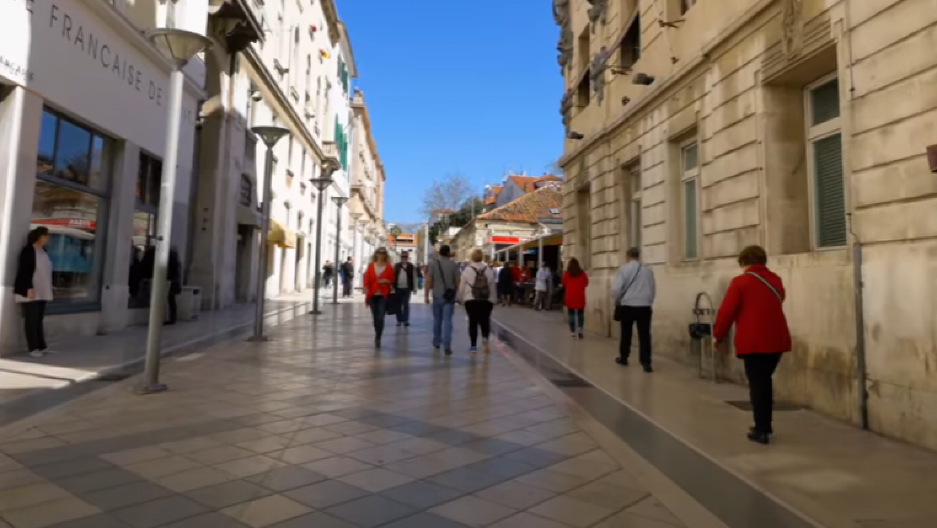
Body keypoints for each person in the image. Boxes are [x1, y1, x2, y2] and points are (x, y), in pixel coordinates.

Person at [713, 245, 792, 445]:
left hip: (754, 341)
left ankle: (761, 429)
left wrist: (718, 335)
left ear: (744, 262)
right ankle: (765, 424)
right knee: (764, 381)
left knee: (758, 385)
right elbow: (778, 298)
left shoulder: (740, 282)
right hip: (777, 339)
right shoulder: (775, 280)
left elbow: (727, 311)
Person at [612, 247, 657, 372]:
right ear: (638, 256)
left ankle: (624, 357)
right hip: (644, 306)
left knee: (626, 332)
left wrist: (617, 301)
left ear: (628, 256)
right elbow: (652, 288)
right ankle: (646, 362)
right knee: (645, 334)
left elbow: (617, 289)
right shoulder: (647, 270)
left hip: (627, 305)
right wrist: (649, 301)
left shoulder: (624, 269)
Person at [15, 227, 54, 358]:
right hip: (31, 289)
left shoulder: (44, 251)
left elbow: (45, 271)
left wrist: (50, 285)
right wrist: (28, 288)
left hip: (43, 290)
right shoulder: (28, 251)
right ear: (39, 236)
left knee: (38, 319)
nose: (48, 238)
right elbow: (24, 271)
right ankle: (33, 348)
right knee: (31, 320)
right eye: (46, 236)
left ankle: (42, 346)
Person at [460, 249, 497, 354]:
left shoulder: (467, 270)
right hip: (486, 300)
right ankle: (485, 339)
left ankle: (473, 346)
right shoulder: (488, 270)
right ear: (482, 258)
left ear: (472, 257)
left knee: (472, 323)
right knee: (485, 321)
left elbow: (462, 286)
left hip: (470, 300)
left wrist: (461, 298)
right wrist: (494, 299)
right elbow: (492, 286)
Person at [425, 244, 460, 355]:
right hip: (449, 297)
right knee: (448, 321)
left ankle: (436, 341)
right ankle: (447, 345)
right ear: (448, 253)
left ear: (440, 253)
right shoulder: (454, 265)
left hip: (437, 295)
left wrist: (426, 295)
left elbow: (429, 281)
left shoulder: (433, 264)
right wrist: (458, 294)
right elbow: (458, 281)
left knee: (437, 320)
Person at [363, 248, 394, 348]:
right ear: (376, 254)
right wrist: (365, 287)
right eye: (379, 253)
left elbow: (392, 280)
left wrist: (385, 280)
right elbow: (367, 278)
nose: (381, 255)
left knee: (380, 317)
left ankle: (378, 337)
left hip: (383, 294)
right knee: (375, 317)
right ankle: (377, 332)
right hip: (372, 294)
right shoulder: (371, 266)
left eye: (383, 254)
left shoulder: (389, 267)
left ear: (385, 255)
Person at [562, 258, 589, 339]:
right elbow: (586, 283)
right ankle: (580, 329)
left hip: (570, 296)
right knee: (580, 314)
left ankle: (573, 331)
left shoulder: (567, 274)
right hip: (580, 296)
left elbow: (564, 283)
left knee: (571, 314)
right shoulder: (582, 273)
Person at [394, 251, 417, 327]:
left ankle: (406, 320)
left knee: (406, 304)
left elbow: (414, 277)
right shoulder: (397, 266)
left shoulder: (411, 266)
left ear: (407, 257)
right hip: (398, 288)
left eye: (405, 257)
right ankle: (399, 320)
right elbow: (393, 276)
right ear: (401, 257)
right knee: (398, 305)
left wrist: (414, 288)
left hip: (407, 288)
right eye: (403, 257)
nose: (404, 258)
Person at [166, 247, 182, 325]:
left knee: (171, 301)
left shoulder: (173, 264)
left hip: (173, 284)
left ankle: (172, 318)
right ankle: (172, 318)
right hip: (175, 283)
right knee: (172, 301)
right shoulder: (177, 263)